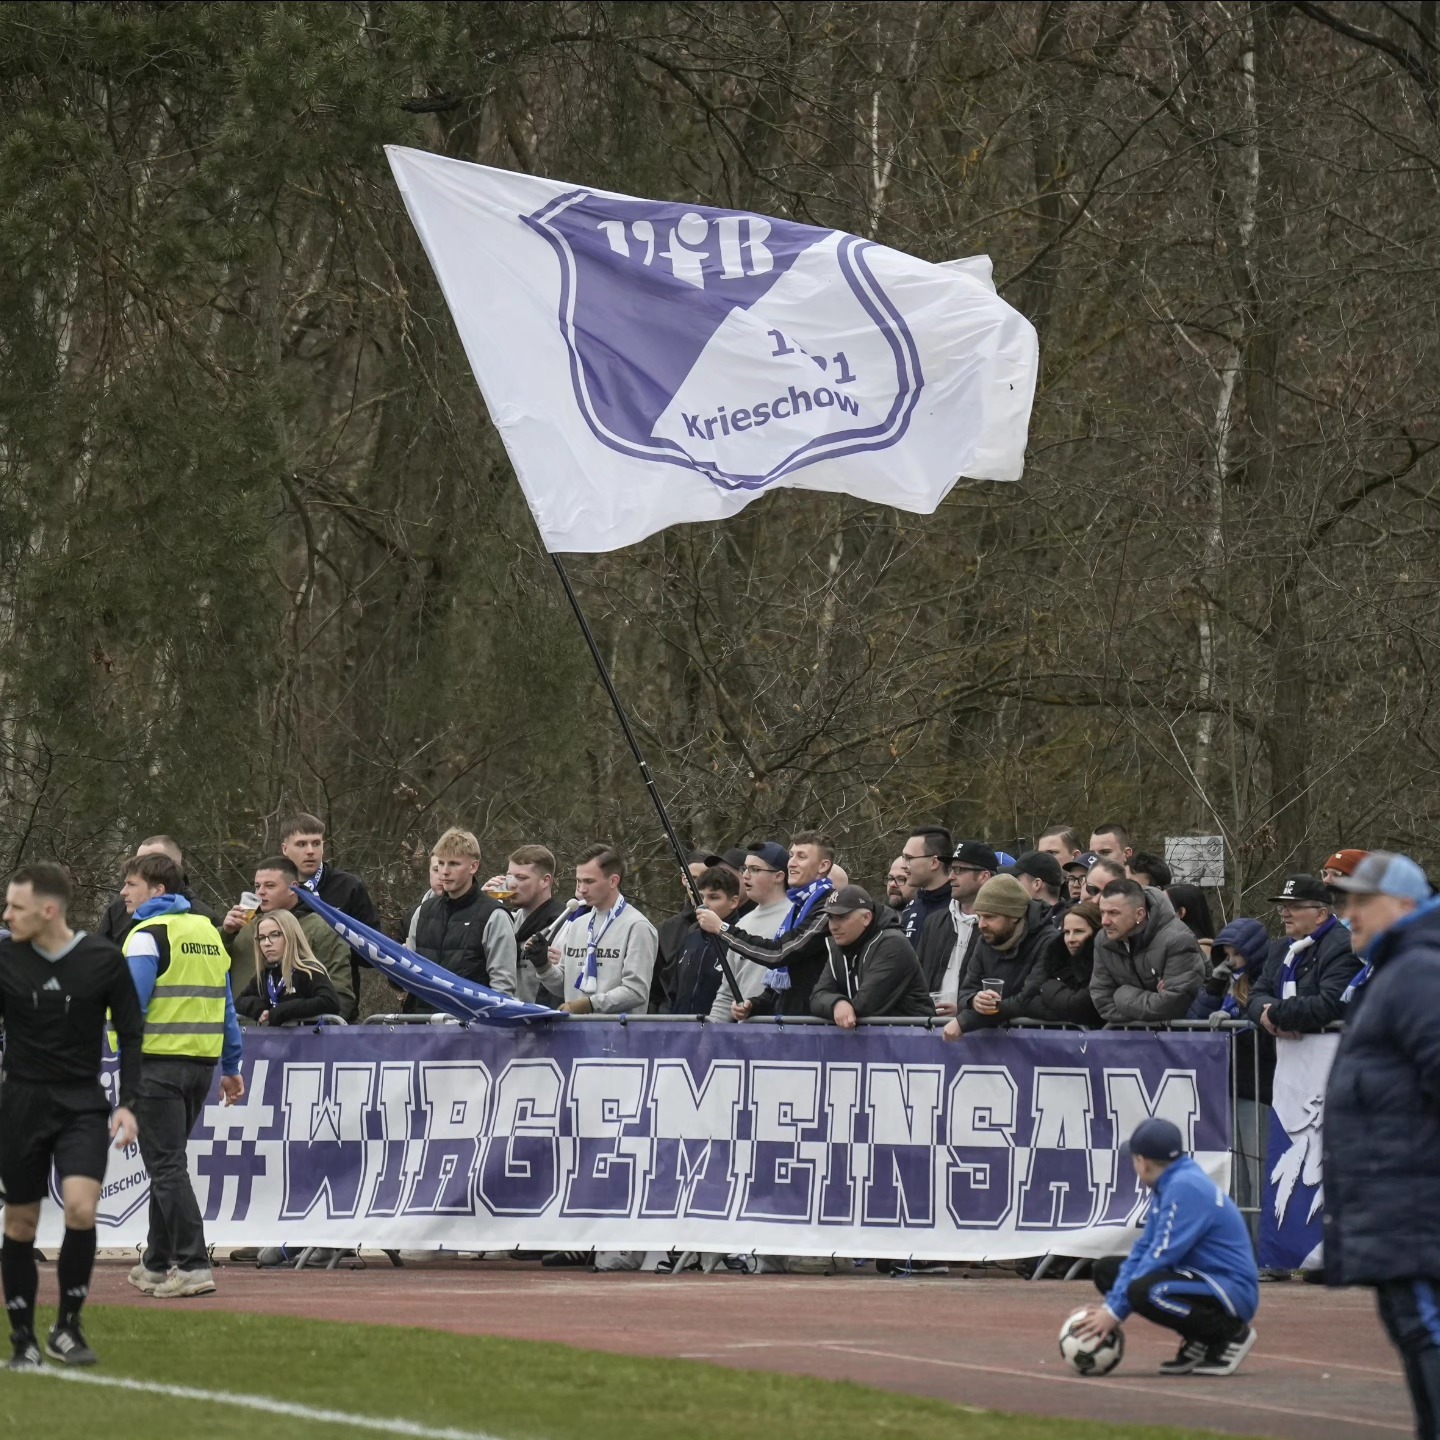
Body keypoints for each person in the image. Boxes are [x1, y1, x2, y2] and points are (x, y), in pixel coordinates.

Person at [0, 863, 143, 1369]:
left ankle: (67, 1327)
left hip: (82, 1102)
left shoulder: (102, 959)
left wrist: (128, 1103)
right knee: (20, 1222)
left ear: (49, 909)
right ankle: (23, 1341)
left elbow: (131, 1034)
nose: (7, 915)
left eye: (16, 907)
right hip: (20, 1103)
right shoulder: (4, 955)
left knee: (82, 1209)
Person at [1323, 854, 1439, 1439]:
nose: (1349, 915)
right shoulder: (1393, 972)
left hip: (1418, 1209)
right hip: (1403, 1206)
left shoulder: (1418, 972)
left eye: (1361, 902)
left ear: (1405, 906)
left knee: (1428, 1337)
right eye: (1344, 902)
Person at [118, 853, 245, 1300]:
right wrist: (232, 1066)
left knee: (166, 1165)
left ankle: (192, 1265)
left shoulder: (146, 935)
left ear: (156, 890)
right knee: (167, 1162)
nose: (123, 892)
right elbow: (226, 1005)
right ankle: (155, 1264)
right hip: (201, 1066)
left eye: (131, 884)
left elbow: (131, 1006)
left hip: (157, 1064)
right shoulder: (207, 932)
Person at [1074, 1118, 1259, 1376]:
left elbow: (1161, 1256)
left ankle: (1229, 1334)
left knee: (1147, 1291)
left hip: (1230, 1287)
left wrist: (1115, 1312)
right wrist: (1111, 1307)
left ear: (1144, 1162)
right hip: (1203, 1277)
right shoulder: (1171, 1183)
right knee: (1108, 1271)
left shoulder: (1185, 1187)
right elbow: (1144, 1248)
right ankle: (1200, 1338)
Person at [1187, 917, 1276, 1228]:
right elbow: (1195, 1019)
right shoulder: (1224, 980)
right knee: (1236, 1175)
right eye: (1226, 953)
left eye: (1236, 954)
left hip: (1256, 1087)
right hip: (1226, 1085)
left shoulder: (1265, 980)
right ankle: (1245, 1252)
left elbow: (1264, 1030)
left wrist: (1236, 1016)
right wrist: (1213, 985)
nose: (1230, 960)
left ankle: (1268, 1253)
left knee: (1260, 1169)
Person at [695, 831, 836, 1018]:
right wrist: (754, 1005)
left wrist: (723, 929)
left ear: (823, 865)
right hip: (781, 1028)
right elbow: (780, 984)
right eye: (792, 855)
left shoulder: (830, 905)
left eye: (801, 857)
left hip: (809, 1029)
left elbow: (781, 953)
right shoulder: (799, 908)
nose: (792, 863)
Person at [221, 856, 355, 1017]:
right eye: (257, 886)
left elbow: (339, 995)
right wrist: (226, 933)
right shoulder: (241, 927)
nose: (260, 892)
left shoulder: (321, 928)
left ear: (293, 888)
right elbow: (206, 968)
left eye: (270, 886)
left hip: (300, 1034)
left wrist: (322, 1031)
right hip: (246, 1032)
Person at [402, 828, 516, 1010]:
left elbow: (502, 989)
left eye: (454, 864)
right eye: (440, 863)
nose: (444, 872)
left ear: (473, 867)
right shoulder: (423, 912)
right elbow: (408, 979)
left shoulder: (494, 916)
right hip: (422, 1027)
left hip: (469, 1029)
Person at [281, 812, 380, 1021]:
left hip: (338, 1010)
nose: (310, 851)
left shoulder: (348, 887)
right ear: (285, 849)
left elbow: (372, 954)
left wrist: (336, 940)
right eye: (301, 844)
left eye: (316, 843)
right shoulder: (274, 887)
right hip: (285, 1010)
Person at [536, 844, 657, 1014]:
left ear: (613, 881)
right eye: (578, 881)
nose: (581, 889)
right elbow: (564, 986)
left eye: (589, 881)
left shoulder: (637, 927)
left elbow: (636, 992)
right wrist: (543, 966)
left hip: (617, 1035)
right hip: (577, 1033)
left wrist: (589, 1005)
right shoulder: (578, 924)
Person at [1246, 875, 1360, 1037]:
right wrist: (1269, 1017)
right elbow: (1255, 997)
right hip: (1287, 1056)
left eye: (1295, 907)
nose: (1285, 914)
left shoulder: (1342, 947)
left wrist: (1277, 1014)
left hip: (1329, 1053)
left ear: (1320, 914)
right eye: (1283, 907)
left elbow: (1331, 1003)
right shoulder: (1280, 949)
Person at [942, 874, 1051, 1038]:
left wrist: (966, 1020)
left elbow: (1028, 999)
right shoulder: (984, 941)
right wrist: (974, 1001)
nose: (981, 925)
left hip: (1038, 1044)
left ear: (1014, 915)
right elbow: (966, 990)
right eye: (979, 916)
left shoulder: (1048, 941)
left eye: (990, 917)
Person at [810, 886, 933, 1024]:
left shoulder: (892, 944)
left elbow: (865, 1006)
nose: (833, 926)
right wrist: (836, 1004)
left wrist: (837, 1005)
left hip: (912, 1039)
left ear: (866, 918)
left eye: (841, 917)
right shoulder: (839, 945)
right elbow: (816, 997)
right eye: (831, 918)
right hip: (876, 1040)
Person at [1090, 878, 1207, 1022]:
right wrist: (1143, 1017)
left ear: (1139, 914)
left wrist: (1122, 995)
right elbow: (1102, 1001)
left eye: (1113, 913)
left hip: (1184, 1039)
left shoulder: (1177, 939)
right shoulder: (1103, 940)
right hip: (1134, 1038)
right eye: (1102, 912)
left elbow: (1173, 1005)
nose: (1104, 922)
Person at [707, 842, 791, 1022]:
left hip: (786, 1034)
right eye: (745, 868)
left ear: (778, 876)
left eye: (754, 869)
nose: (745, 875)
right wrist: (710, 1038)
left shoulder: (796, 917)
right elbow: (727, 993)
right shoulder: (742, 924)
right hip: (745, 1037)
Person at [916, 842, 998, 1017]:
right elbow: (918, 979)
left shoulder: (998, 927)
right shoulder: (934, 922)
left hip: (977, 1031)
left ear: (984, 876)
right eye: (952, 869)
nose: (951, 877)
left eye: (959, 870)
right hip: (932, 1027)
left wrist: (963, 1009)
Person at [98, 835, 217, 946]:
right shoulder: (119, 908)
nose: (139, 866)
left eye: (151, 860)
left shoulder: (203, 916)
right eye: (138, 859)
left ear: (171, 865)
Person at [235, 909, 342, 1025]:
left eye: (274, 935)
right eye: (261, 938)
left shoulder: (308, 970)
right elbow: (239, 1001)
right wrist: (259, 1009)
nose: (266, 943)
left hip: (309, 1041)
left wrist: (285, 1010)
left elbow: (329, 1002)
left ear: (290, 936)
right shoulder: (266, 974)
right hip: (277, 1041)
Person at [663, 866, 742, 1015]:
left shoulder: (740, 939)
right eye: (701, 896)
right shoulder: (691, 936)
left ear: (733, 902)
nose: (704, 903)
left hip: (722, 1031)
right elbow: (673, 992)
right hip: (682, 1031)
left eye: (713, 897)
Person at [1018, 901, 1104, 1026]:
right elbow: (1028, 1002)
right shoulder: (1055, 958)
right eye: (1067, 932)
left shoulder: (1103, 963)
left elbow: (1080, 1008)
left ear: (1096, 932)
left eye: (1079, 931)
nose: (1070, 939)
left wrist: (1047, 987)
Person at [506, 845, 567, 1007]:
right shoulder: (505, 920)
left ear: (545, 881)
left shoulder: (564, 924)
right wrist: (482, 905)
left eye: (521, 878)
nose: (511, 884)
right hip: (506, 1020)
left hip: (544, 1022)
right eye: (508, 876)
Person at [898, 827, 952, 948]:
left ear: (934, 862)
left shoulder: (956, 909)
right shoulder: (911, 907)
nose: (904, 866)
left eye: (909, 858)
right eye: (904, 858)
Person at [1010, 850, 1069, 928]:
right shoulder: (1029, 919)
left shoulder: (1068, 924)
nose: (1012, 885)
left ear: (1037, 884)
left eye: (1017, 880)